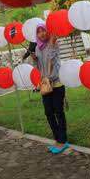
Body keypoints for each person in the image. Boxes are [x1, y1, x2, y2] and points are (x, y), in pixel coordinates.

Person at [32, 23, 69, 154]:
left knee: (59, 111)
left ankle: (63, 140)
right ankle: (58, 138)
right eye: (39, 32)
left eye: (43, 30)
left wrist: (52, 44)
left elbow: (52, 58)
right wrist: (35, 60)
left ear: (48, 31)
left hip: (57, 82)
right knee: (48, 112)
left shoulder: (54, 42)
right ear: (36, 34)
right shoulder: (37, 48)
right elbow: (39, 68)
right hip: (45, 84)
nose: (42, 33)